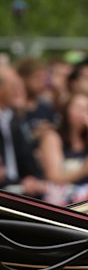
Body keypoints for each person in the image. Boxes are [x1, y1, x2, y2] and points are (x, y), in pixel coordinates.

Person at [0, 65, 46, 198]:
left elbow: (25, 157)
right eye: (13, 86)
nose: (18, 91)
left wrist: (31, 177)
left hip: (18, 188)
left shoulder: (12, 119)